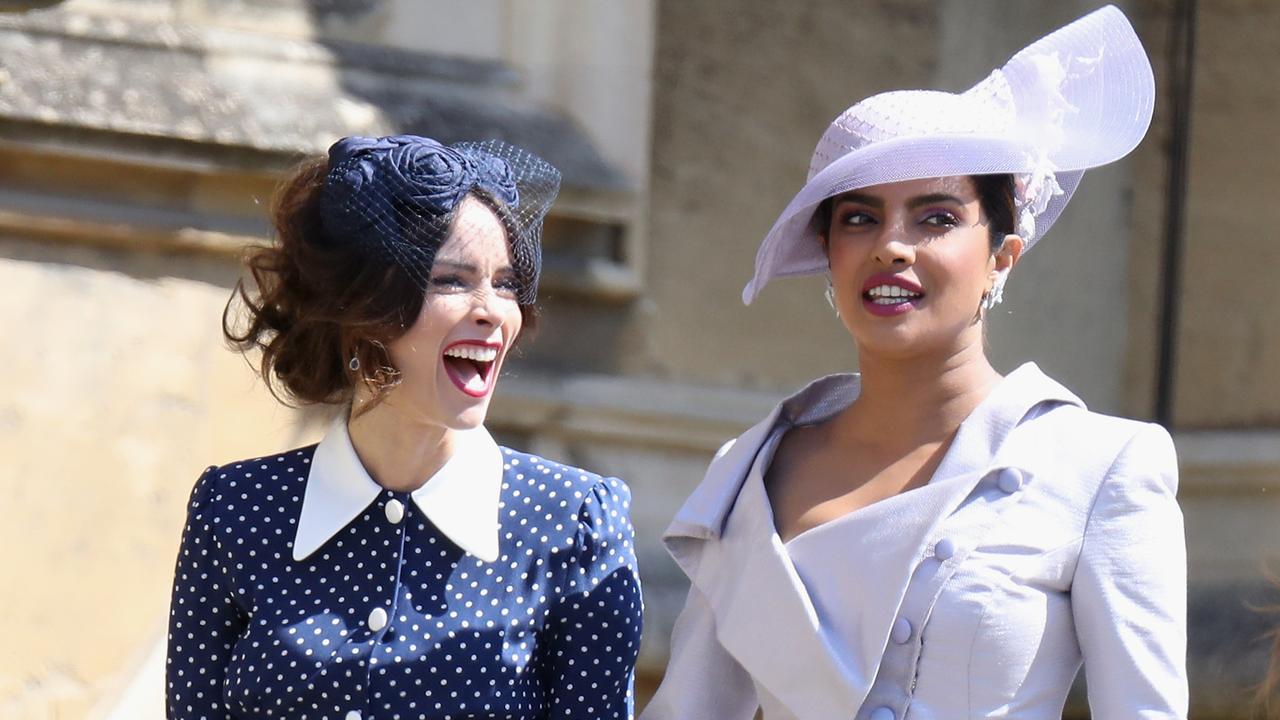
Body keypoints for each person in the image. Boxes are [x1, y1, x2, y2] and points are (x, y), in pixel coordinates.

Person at [641, 6, 1185, 719]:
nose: (892, 246)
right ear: (829, 255)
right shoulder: (751, 467)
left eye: (936, 217)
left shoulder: (1100, 466)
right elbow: (691, 708)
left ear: (1001, 256)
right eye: (860, 218)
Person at [166, 135, 643, 719]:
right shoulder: (235, 509)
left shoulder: (571, 523)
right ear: (365, 307)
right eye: (451, 280)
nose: (492, 310)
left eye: (507, 283)